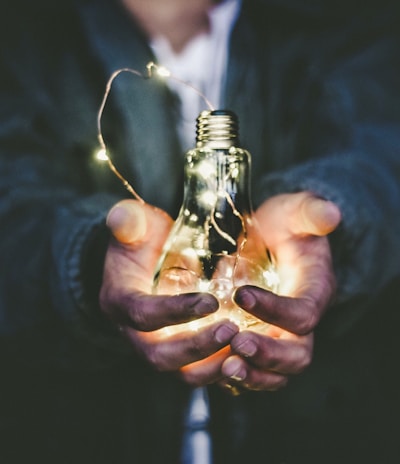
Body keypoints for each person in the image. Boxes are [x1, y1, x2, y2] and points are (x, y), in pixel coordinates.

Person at [0, 0, 399, 463]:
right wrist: (88, 263)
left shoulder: (346, 22)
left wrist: (333, 218)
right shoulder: (27, 34)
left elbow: (384, 152)